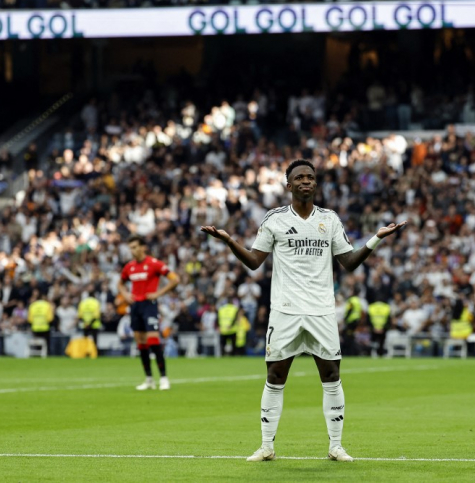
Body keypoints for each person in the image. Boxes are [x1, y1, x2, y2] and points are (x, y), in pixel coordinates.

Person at [201, 159, 406, 463]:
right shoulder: (275, 219)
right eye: (299, 177)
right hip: (285, 310)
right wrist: (230, 241)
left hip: (322, 310)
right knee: (275, 373)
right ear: (289, 184)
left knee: (331, 373)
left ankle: (336, 446)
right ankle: (266, 445)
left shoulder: (330, 219)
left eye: (310, 177)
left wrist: (375, 238)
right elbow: (255, 261)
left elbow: (348, 262)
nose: (306, 181)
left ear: (316, 183)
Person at [118, 235, 180, 391]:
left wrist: (158, 293)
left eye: (134, 247)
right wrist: (125, 295)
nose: (132, 251)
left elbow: (175, 279)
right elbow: (120, 283)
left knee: (153, 341)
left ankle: (164, 378)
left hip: (149, 305)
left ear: (143, 247)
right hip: (135, 307)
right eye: (130, 248)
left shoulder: (154, 263)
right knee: (141, 343)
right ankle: (149, 379)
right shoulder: (129, 267)